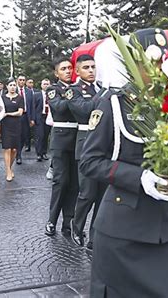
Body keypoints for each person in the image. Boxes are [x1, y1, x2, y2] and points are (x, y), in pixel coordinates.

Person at [79, 31, 168, 298]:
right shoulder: (113, 104)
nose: (159, 68)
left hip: (166, 230)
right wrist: (140, 178)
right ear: (134, 63)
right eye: (152, 61)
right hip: (123, 231)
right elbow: (90, 162)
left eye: (162, 61)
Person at [67, 54, 108, 250]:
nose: (91, 70)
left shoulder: (102, 88)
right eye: (86, 67)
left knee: (102, 195)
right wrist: (105, 93)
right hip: (86, 145)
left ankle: (95, 234)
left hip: (106, 146)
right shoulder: (73, 91)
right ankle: (77, 227)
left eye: (93, 67)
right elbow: (85, 110)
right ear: (78, 71)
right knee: (87, 193)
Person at [44, 58, 79, 236]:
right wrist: (75, 98)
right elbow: (58, 108)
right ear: (56, 73)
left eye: (70, 68)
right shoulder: (53, 89)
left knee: (74, 184)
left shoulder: (77, 88)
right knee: (61, 181)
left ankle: (68, 221)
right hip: (61, 140)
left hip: (78, 139)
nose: (68, 71)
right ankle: (52, 220)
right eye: (63, 69)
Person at [1, 78, 24, 182]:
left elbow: (20, 112)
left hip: (16, 125)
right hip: (5, 125)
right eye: (10, 85)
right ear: (7, 87)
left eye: (14, 85)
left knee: (14, 149)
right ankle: (8, 171)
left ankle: (9, 167)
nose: (12, 87)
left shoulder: (19, 98)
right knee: (7, 148)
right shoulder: (2, 98)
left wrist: (8, 114)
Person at [15, 75, 35, 164]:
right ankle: (18, 155)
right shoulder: (13, 90)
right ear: (17, 81)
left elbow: (32, 106)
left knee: (24, 136)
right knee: (17, 136)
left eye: (23, 80)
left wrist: (32, 119)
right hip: (16, 116)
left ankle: (19, 150)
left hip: (26, 116)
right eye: (20, 80)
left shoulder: (29, 92)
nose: (22, 81)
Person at [33, 78, 51, 161]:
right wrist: (33, 119)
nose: (46, 86)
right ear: (41, 85)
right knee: (40, 136)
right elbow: (33, 107)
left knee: (46, 136)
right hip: (39, 117)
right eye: (44, 84)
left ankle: (44, 153)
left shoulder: (52, 95)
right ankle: (39, 154)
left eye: (47, 84)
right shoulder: (36, 95)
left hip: (48, 118)